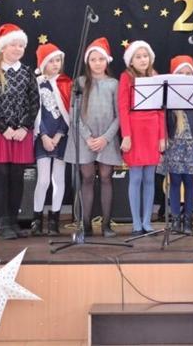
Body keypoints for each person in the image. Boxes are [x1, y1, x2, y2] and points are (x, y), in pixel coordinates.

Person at [0, 23, 39, 240]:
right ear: (3, 47)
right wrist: (4, 128)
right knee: (1, 174)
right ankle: (2, 222)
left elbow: (34, 103)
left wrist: (23, 127)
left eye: (21, 45)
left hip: (21, 133)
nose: (18, 49)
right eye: (14, 44)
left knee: (17, 176)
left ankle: (14, 220)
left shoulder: (27, 72)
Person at [64, 37, 121, 238]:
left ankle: (106, 224)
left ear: (107, 61)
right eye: (93, 59)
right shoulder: (79, 83)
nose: (97, 63)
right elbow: (74, 114)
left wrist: (105, 138)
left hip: (107, 138)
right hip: (84, 138)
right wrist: (88, 137)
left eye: (101, 59)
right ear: (87, 62)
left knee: (106, 177)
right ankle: (86, 224)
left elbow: (119, 115)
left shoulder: (114, 84)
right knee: (87, 177)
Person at [118, 40, 166, 235]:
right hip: (135, 130)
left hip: (152, 130)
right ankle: (136, 222)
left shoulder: (155, 76)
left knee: (149, 178)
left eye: (145, 56)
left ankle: (147, 220)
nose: (143, 60)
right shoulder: (126, 78)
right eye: (138, 57)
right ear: (131, 61)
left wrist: (162, 137)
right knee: (136, 177)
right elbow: (122, 108)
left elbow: (161, 110)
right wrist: (126, 135)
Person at [30, 42, 72, 236]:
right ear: (43, 64)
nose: (55, 64)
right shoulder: (37, 84)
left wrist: (59, 134)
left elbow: (68, 113)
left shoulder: (66, 83)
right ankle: (36, 220)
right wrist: (44, 135)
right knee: (43, 179)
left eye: (58, 60)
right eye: (51, 61)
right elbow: (36, 112)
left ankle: (54, 220)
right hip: (43, 137)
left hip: (61, 137)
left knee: (58, 179)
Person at [160, 55, 193, 233]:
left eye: (188, 73)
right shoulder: (167, 97)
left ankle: (188, 219)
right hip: (174, 144)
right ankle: (175, 218)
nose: (185, 76)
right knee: (175, 181)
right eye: (181, 73)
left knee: (190, 181)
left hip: (192, 144)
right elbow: (162, 121)